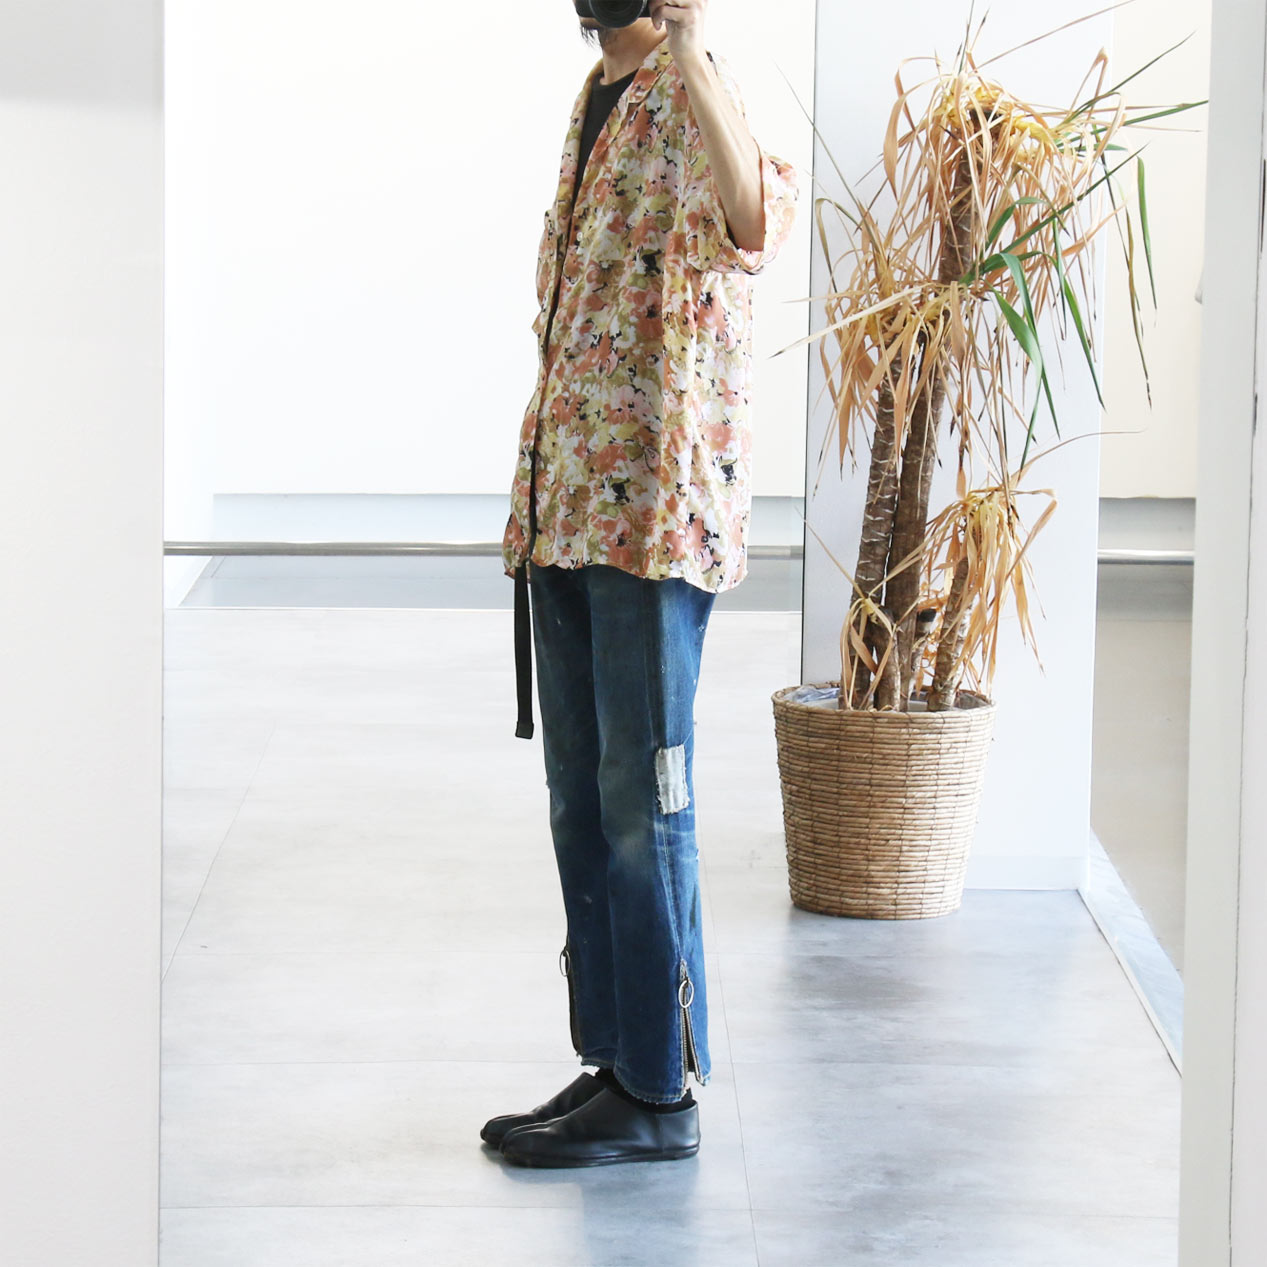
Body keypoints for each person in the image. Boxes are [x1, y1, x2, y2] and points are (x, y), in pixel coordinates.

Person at [484, 0, 798, 1168]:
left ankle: (661, 1091)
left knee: (644, 801)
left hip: (654, 514)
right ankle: (615, 1056)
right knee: (580, 798)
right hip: (570, 504)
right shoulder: (595, 100)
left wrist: (693, 51)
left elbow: (754, 219)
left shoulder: (688, 88)